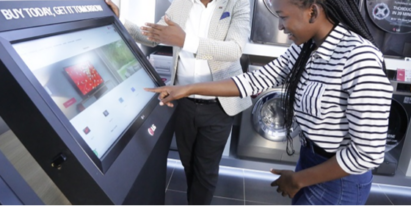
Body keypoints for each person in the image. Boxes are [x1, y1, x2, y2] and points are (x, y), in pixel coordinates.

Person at [145, 0, 394, 205]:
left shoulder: (360, 59)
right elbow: (253, 82)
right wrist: (186, 88)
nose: (281, 26)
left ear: (313, 12)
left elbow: (367, 154)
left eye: (283, 16)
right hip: (310, 160)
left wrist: (300, 180)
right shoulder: (306, 49)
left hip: (338, 179)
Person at [105, 0, 252, 204]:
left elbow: (234, 49)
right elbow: (152, 36)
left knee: (205, 170)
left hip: (219, 105)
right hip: (182, 102)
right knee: (189, 164)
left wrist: (185, 40)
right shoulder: (181, 3)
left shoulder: (237, 3)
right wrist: (120, 18)